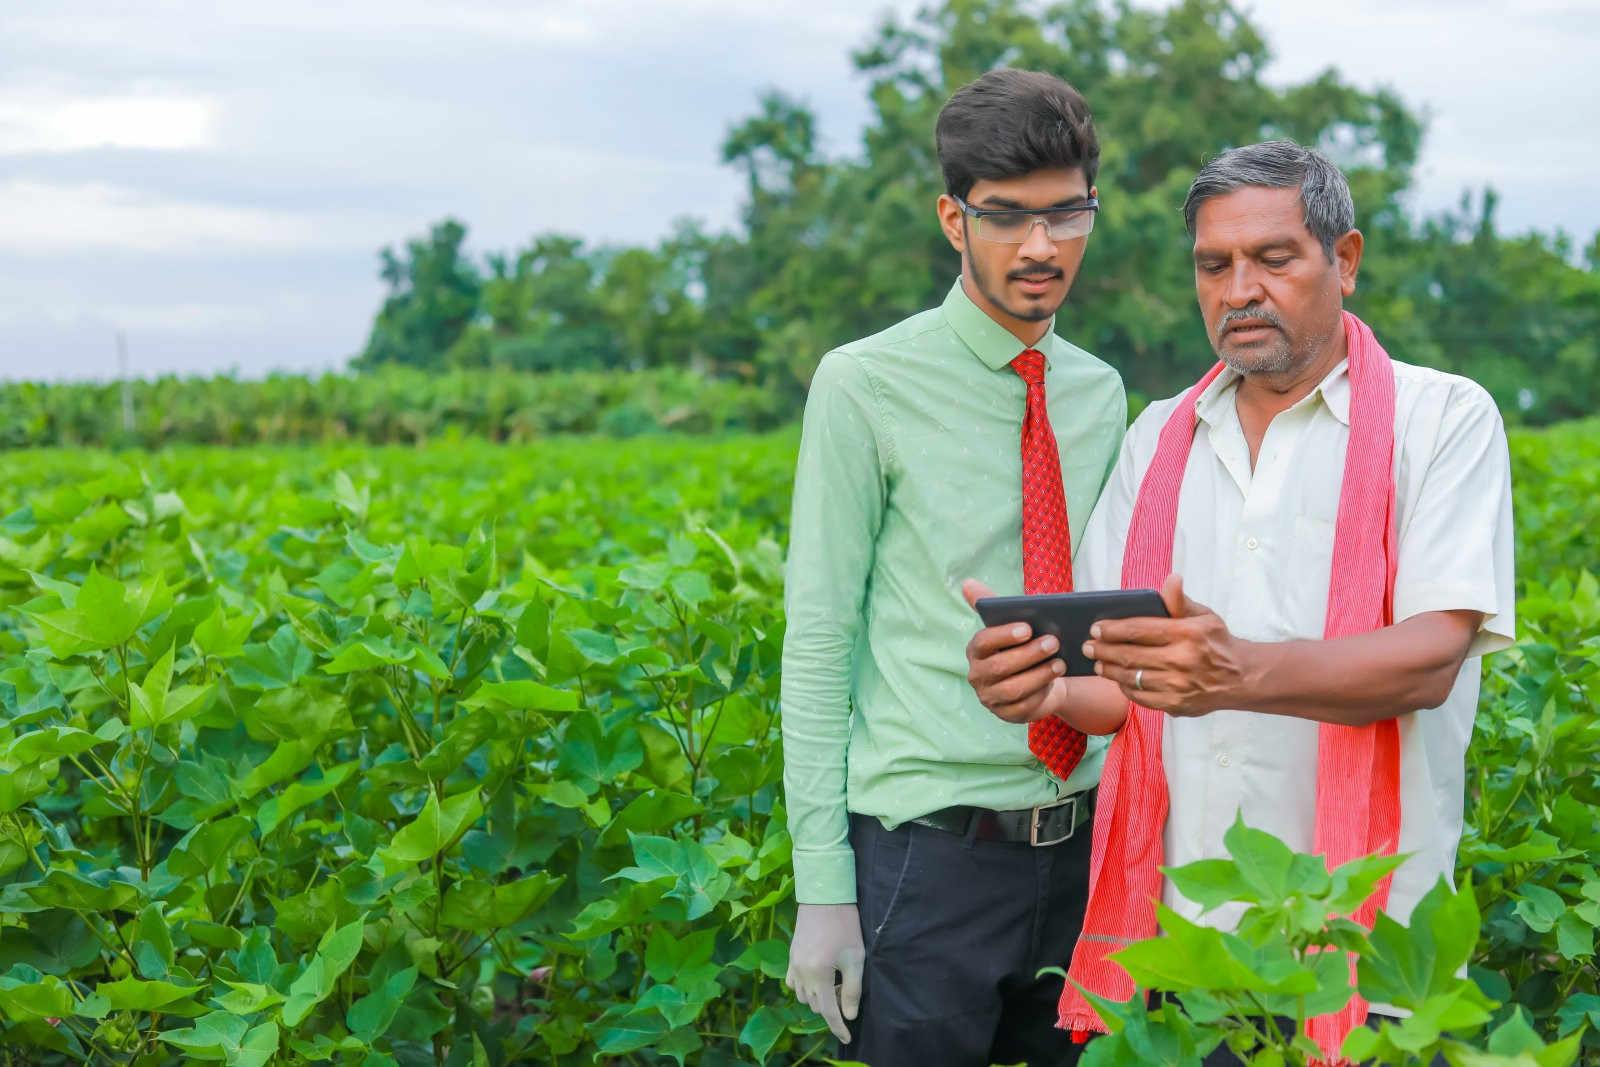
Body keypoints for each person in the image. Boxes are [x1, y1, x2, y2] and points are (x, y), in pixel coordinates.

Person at [963, 140, 1515, 1065]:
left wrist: (1236, 671)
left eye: (1273, 258)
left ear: (1343, 261)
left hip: (1368, 954)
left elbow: (1428, 658)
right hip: (1182, 952)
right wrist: (1043, 689)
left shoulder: (1443, 419)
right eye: (1213, 266)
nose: (1239, 289)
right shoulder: (1161, 438)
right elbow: (1120, 684)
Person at [780, 68, 1127, 1066]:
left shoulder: (1101, 394)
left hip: (1089, 850)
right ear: (952, 216)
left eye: (1066, 215)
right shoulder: (864, 385)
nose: (1039, 247)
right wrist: (823, 888)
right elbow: (818, 640)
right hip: (925, 859)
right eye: (1007, 217)